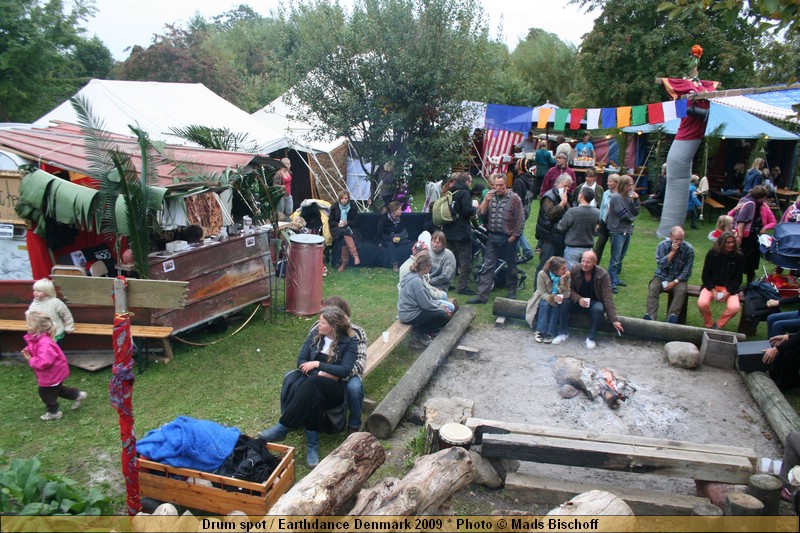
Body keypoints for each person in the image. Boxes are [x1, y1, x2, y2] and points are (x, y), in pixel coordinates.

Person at [258, 306, 358, 467]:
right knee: (313, 392)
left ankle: (283, 426)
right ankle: (312, 446)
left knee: (312, 386)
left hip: (335, 388)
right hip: (312, 381)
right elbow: (301, 360)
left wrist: (317, 364)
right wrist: (320, 374)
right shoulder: (315, 335)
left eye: (322, 322)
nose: (318, 325)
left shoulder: (350, 342)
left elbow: (345, 370)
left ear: (333, 326)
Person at [468, 174, 525, 303]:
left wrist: (514, 236)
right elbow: (480, 214)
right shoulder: (490, 197)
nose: (498, 188)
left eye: (501, 185)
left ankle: (512, 292)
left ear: (506, 185)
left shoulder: (515, 198)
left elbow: (520, 219)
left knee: (511, 266)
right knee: (488, 266)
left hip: (508, 238)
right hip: (493, 236)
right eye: (496, 185)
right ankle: (482, 296)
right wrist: (485, 201)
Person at [22, 311, 87, 421]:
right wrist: (28, 349)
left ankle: (54, 412)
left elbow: (45, 362)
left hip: (52, 374)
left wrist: (31, 360)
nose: (26, 326)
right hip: (52, 373)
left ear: (37, 328)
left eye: (28, 324)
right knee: (58, 390)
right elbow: (35, 347)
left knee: (45, 393)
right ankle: (77, 395)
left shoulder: (45, 343)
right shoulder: (37, 339)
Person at [317, 297, 366, 435]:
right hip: (324, 369)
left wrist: (338, 374)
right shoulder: (319, 326)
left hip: (347, 373)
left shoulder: (357, 332)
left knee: (355, 388)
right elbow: (310, 351)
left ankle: (354, 424)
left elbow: (360, 364)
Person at [565, 250, 623, 349]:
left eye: (588, 262)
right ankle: (562, 332)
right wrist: (578, 299)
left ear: (595, 263)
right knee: (564, 303)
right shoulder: (575, 269)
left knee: (599, 308)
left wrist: (614, 320)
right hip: (576, 301)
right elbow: (567, 288)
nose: (584, 264)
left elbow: (608, 297)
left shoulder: (603, 274)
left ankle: (591, 338)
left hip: (593, 303)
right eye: (583, 261)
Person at [398, 253, 454, 349]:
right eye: (430, 266)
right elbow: (425, 304)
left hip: (406, 312)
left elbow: (425, 300)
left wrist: (438, 306)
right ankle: (418, 335)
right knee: (443, 315)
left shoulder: (412, 275)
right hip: (409, 315)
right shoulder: (416, 281)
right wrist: (440, 308)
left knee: (441, 312)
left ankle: (423, 333)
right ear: (426, 267)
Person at [643, 226, 695, 323]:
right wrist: (672, 252)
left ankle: (672, 316)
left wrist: (675, 282)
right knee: (653, 287)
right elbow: (661, 265)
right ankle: (651, 315)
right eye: (676, 239)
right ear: (670, 237)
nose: (679, 242)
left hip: (678, 279)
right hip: (661, 276)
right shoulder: (662, 246)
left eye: (681, 239)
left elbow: (687, 270)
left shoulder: (689, 249)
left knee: (681, 291)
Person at [698, 231, 744, 330]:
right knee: (702, 303)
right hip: (712, 286)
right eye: (728, 242)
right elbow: (705, 275)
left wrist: (728, 292)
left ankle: (719, 325)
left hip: (729, 288)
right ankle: (709, 323)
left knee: (735, 307)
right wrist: (712, 289)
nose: (731, 245)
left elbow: (738, 279)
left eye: (732, 242)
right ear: (722, 243)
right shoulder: (712, 254)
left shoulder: (739, 257)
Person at [442, 172, 477, 295]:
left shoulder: (451, 191)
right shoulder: (465, 192)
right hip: (461, 232)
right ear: (467, 181)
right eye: (470, 181)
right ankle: (462, 287)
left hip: (448, 231)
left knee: (450, 260)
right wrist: (475, 208)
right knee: (465, 261)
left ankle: (447, 283)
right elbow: (466, 210)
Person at [732, 185, 777, 284]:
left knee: (751, 262)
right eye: (765, 197)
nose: (765, 199)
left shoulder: (758, 204)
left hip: (754, 237)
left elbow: (773, 220)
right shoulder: (750, 204)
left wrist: (764, 227)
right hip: (747, 238)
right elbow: (741, 221)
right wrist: (739, 236)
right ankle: (737, 283)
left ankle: (750, 283)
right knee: (743, 260)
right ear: (761, 196)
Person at [525, 256, 571, 345]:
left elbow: (567, 294)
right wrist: (552, 298)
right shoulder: (542, 274)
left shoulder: (566, 275)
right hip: (543, 297)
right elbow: (541, 292)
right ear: (555, 270)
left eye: (565, 268)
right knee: (545, 305)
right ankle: (540, 331)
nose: (565, 270)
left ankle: (550, 333)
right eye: (563, 269)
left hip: (558, 300)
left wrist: (563, 284)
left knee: (555, 307)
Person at [606, 175, 640, 293]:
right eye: (629, 185)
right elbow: (624, 215)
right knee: (615, 258)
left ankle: (615, 277)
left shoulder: (629, 197)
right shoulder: (616, 197)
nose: (631, 187)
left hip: (627, 230)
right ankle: (611, 281)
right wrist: (632, 219)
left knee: (620, 257)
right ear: (623, 185)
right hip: (617, 231)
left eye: (632, 184)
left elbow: (636, 211)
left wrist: (636, 200)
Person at [535, 174, 572, 280]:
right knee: (545, 267)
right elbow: (550, 214)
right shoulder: (548, 196)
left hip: (561, 237)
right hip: (549, 237)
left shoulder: (569, 196)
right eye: (565, 186)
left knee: (560, 267)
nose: (567, 189)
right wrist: (563, 203)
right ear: (558, 183)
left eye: (569, 187)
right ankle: (538, 292)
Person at [557, 186, 600, 269]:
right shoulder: (597, 213)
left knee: (572, 274)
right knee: (586, 273)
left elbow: (561, 227)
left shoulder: (572, 212)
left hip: (572, 248)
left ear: (581, 195)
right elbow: (598, 230)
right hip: (588, 248)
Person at [26, 278, 74, 344]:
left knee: (53, 349)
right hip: (39, 332)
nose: (35, 292)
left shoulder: (56, 302)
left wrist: (69, 327)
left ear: (48, 292)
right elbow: (30, 314)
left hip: (56, 331)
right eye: (34, 290)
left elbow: (66, 315)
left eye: (39, 291)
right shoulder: (35, 303)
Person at [328, 190, 361, 272]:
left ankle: (344, 263)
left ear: (348, 199)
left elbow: (356, 221)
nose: (344, 200)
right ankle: (355, 255)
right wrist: (337, 224)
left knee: (344, 237)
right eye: (342, 198)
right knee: (344, 232)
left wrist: (347, 222)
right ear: (339, 199)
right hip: (337, 228)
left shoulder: (352, 207)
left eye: (346, 198)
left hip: (350, 227)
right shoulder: (334, 207)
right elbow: (331, 221)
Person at [512, 158, 536, 264]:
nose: (515, 165)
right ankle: (518, 253)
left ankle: (526, 251)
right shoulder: (530, 179)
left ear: (521, 166)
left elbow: (517, 198)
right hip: (527, 209)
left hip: (520, 210)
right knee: (518, 230)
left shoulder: (519, 181)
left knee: (517, 231)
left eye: (517, 163)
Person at [377, 201, 410, 272]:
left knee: (406, 242)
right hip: (385, 238)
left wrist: (397, 236)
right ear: (394, 211)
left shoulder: (400, 219)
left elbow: (402, 230)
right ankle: (394, 264)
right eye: (399, 209)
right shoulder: (383, 219)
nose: (401, 211)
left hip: (397, 237)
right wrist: (391, 238)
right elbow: (380, 234)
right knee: (391, 245)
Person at [594, 173, 620, 263]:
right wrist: (598, 222)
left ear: (617, 183)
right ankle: (594, 264)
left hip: (615, 225)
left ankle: (614, 267)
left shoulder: (620, 195)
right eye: (608, 181)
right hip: (604, 223)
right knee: (599, 245)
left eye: (610, 181)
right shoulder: (605, 193)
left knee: (615, 247)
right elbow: (601, 209)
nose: (608, 183)